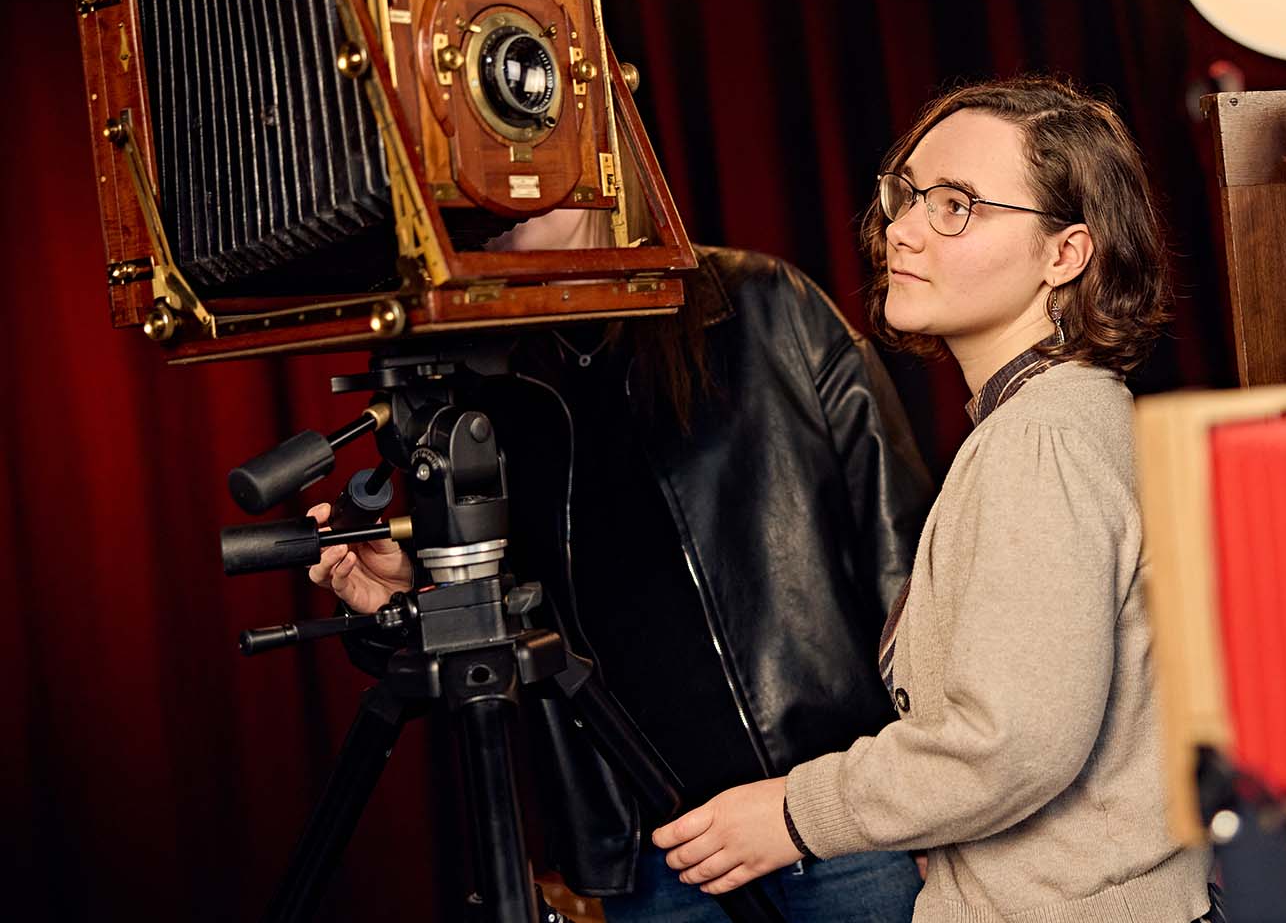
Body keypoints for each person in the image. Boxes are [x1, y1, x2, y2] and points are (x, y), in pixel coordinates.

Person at [652, 77, 1214, 922]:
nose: (902, 230)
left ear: (1066, 254)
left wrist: (793, 815)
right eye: (907, 195)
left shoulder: (1041, 439)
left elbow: (1011, 747)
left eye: (957, 206)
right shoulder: (1067, 414)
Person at [307, 232, 934, 922]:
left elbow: (903, 557)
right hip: (659, 860)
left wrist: (928, 797)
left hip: (836, 822)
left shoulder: (761, 303)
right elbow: (496, 638)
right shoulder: (479, 367)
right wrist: (403, 598)